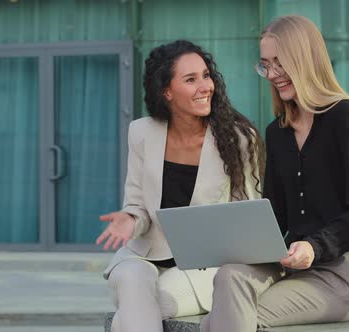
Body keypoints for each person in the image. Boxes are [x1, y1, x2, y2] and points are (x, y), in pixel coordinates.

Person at [201, 15, 349, 331]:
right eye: (266, 65)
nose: (272, 74)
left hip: (341, 271)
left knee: (229, 316)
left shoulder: (343, 117)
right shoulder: (277, 132)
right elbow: (276, 217)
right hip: (291, 265)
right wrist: (234, 242)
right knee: (229, 275)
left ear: (305, 60)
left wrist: (314, 246)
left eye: (280, 63)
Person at [96, 39, 264, 332]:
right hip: (145, 255)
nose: (205, 86)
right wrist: (130, 219)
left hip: (202, 267)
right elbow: (137, 203)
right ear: (167, 91)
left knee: (138, 309)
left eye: (206, 75)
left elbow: (248, 216)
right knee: (133, 281)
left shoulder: (239, 138)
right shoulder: (141, 132)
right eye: (190, 79)